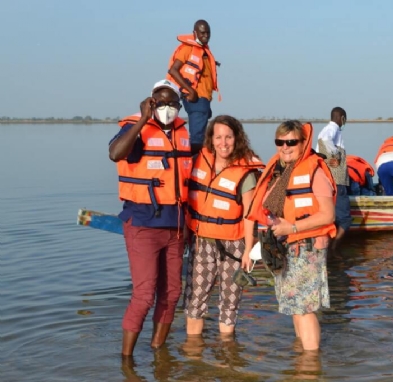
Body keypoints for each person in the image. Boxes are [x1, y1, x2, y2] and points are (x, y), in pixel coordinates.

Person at [108, 79, 193, 357]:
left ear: (179, 107)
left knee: (171, 294)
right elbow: (114, 153)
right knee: (144, 295)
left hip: (176, 226)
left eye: (172, 103)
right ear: (151, 102)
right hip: (143, 223)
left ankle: (159, 353)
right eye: (161, 103)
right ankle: (127, 360)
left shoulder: (183, 134)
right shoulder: (135, 130)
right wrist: (144, 119)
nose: (167, 108)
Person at [246, 120, 337, 351]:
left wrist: (292, 228)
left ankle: (309, 365)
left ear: (303, 143)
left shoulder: (314, 171)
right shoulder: (279, 171)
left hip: (306, 247)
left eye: (291, 142)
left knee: (303, 309)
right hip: (284, 247)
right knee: (295, 307)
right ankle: (302, 357)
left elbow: (328, 215)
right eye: (280, 142)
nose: (285, 147)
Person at [183, 115, 264, 337]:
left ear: (237, 138)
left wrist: (249, 249)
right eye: (218, 137)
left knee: (229, 303)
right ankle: (193, 352)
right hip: (201, 243)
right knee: (194, 300)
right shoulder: (199, 160)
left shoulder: (246, 170)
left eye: (228, 137)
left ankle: (228, 355)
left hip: (234, 246)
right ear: (211, 139)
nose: (223, 142)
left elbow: (250, 214)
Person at [167, 19, 219, 147]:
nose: (205, 36)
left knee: (201, 135)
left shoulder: (204, 50)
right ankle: (194, 163)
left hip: (204, 99)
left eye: (208, 33)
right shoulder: (188, 48)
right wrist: (190, 91)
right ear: (194, 33)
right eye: (202, 33)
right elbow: (173, 70)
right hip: (196, 98)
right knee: (197, 138)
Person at [315, 107, 352, 248]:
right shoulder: (332, 129)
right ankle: (334, 248)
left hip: (326, 180)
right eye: (345, 119)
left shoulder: (325, 130)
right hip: (337, 181)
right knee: (345, 219)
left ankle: (327, 247)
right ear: (341, 117)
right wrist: (335, 154)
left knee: (330, 216)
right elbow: (326, 140)